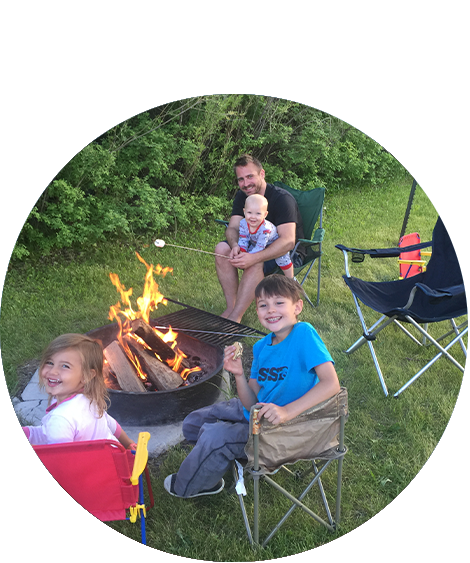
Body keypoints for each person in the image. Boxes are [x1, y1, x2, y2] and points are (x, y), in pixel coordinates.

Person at [163, 275, 340, 498]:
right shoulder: (260, 347)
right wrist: (238, 374)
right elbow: (252, 402)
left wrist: (286, 411)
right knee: (194, 421)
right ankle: (210, 462)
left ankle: (190, 486)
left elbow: (331, 383)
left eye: (279, 303)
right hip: (259, 412)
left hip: (286, 429)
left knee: (214, 436)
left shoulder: (303, 334)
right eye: (263, 305)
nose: (270, 310)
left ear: (297, 307)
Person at [215, 154, 305, 323]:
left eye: (250, 176)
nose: (245, 183)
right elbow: (233, 227)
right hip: (253, 242)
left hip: (287, 253)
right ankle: (231, 307)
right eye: (240, 179)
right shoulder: (243, 196)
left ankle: (235, 318)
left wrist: (253, 257)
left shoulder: (282, 199)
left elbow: (288, 241)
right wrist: (235, 245)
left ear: (262, 174)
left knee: (255, 262)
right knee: (222, 249)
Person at [22, 333, 137, 449]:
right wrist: (128, 443)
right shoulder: (88, 398)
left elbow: (59, 460)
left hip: (93, 466)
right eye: (50, 363)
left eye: (65, 366)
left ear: (86, 376)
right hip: (112, 456)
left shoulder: (60, 419)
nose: (53, 371)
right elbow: (110, 423)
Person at [238, 194, 294, 278]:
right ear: (244, 211)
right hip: (255, 243)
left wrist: (249, 257)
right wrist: (242, 251)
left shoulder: (264, 228)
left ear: (265, 215)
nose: (253, 217)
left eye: (258, 213)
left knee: (282, 259)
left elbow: (260, 247)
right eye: (249, 212)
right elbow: (243, 238)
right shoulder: (243, 223)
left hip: (274, 244)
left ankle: (291, 279)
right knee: (248, 255)